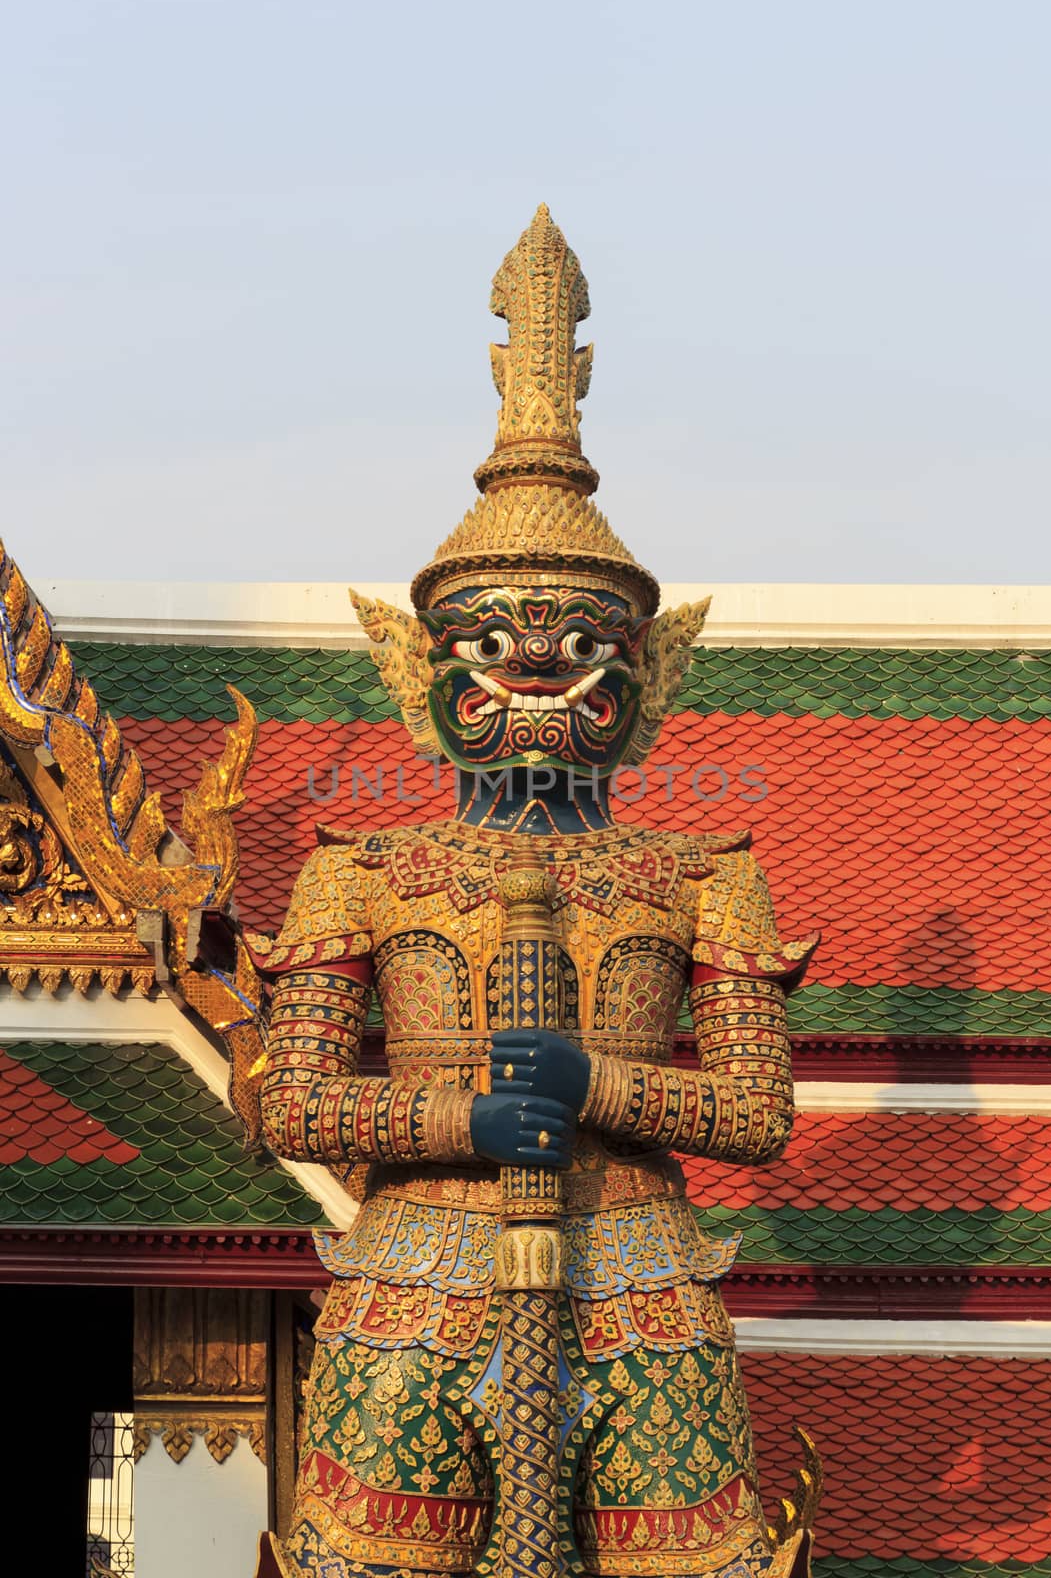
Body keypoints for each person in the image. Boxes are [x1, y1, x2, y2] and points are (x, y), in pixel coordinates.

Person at [257, 206, 819, 1578]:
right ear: (427, 667)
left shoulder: (700, 875)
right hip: (414, 1285)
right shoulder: (361, 871)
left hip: (642, 1287)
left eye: (577, 642)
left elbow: (754, 1112)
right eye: (491, 639)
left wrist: (596, 1090)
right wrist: (465, 1114)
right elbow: (294, 1101)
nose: (533, 668)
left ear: (640, 671)